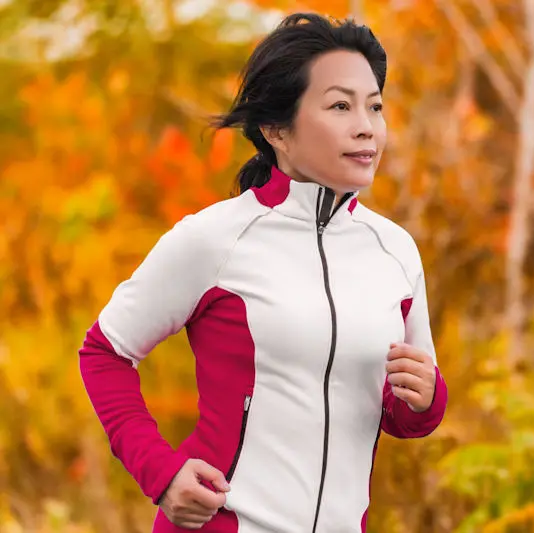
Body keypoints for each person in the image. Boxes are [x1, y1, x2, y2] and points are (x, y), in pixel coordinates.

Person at [78, 12, 448, 533]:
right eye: (340, 105)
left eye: (376, 106)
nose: (367, 125)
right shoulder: (216, 239)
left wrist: (427, 399)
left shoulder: (395, 251)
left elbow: (400, 411)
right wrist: (161, 473)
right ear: (277, 129)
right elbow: (105, 351)